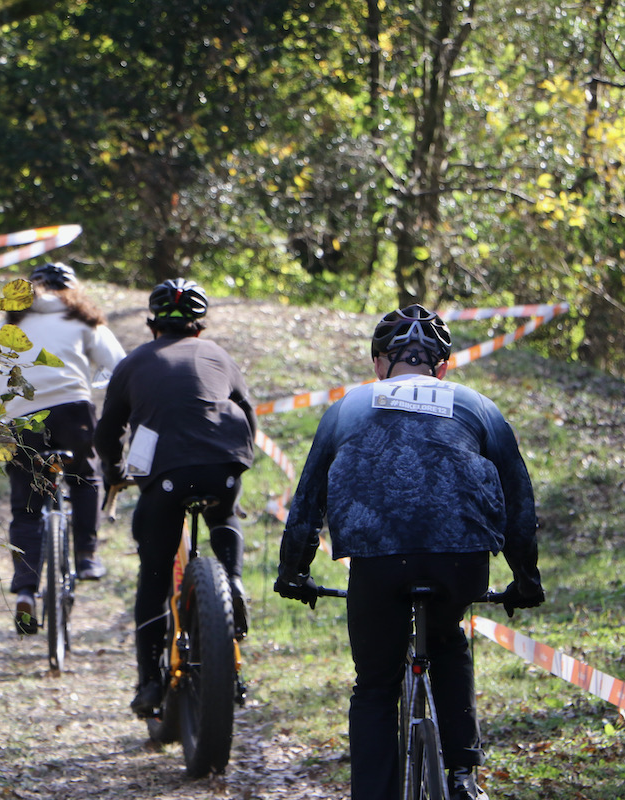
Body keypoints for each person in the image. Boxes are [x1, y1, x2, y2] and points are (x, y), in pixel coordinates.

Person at [274, 304, 544, 800]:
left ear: (379, 364)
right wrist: (526, 579)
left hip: (376, 561)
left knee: (375, 685)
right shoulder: (477, 404)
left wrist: (293, 571)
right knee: (446, 641)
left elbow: (308, 498)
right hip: (459, 558)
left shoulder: (349, 406)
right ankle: (463, 777)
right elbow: (518, 501)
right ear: (442, 367)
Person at [94, 278, 257, 718]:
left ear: (152, 326)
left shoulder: (132, 363)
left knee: (153, 574)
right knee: (224, 516)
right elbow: (246, 410)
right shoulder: (219, 355)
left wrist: (113, 472)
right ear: (199, 328)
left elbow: (108, 432)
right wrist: (239, 461)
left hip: (166, 471)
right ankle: (233, 580)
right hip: (225, 461)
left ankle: (149, 683)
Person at [0, 262, 126, 634]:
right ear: (74, 290)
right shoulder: (84, 319)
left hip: (21, 418)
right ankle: (88, 556)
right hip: (72, 413)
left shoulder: (9, 322)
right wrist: (100, 387)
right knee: (84, 478)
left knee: (27, 509)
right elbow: (121, 367)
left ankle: (26, 592)